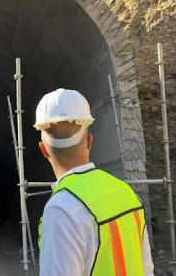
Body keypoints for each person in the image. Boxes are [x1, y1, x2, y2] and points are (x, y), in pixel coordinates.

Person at [34, 89, 154, 276]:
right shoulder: (126, 192)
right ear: (89, 141)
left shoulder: (62, 209)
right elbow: (146, 268)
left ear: (44, 150)